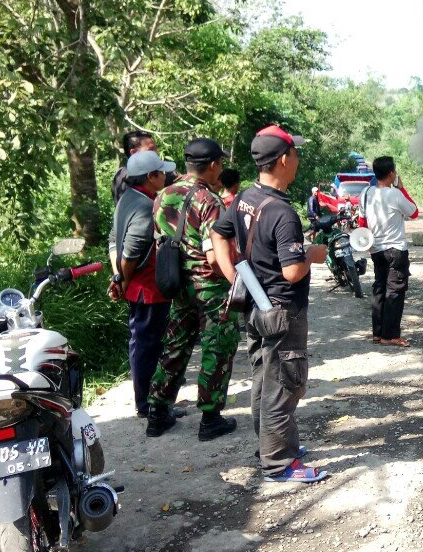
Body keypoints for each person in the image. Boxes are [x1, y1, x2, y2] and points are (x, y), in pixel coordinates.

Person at [211, 124, 330, 483]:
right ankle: (279, 463)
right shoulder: (283, 213)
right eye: (295, 154)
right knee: (286, 382)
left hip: (256, 307)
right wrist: (313, 254)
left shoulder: (246, 196)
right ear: (283, 159)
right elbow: (292, 271)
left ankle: (273, 446)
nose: (297, 160)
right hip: (282, 310)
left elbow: (219, 234)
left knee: (264, 379)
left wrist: (235, 277)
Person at [146, 138, 240, 441]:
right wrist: (234, 279)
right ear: (212, 165)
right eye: (220, 163)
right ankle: (210, 418)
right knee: (218, 345)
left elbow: (159, 237)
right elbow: (214, 254)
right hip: (207, 286)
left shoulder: (163, 195)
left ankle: (157, 413)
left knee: (175, 344)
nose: (221, 169)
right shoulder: (209, 201)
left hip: (176, 283)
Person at [107, 151, 176, 418]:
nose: (166, 176)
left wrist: (118, 277)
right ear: (150, 177)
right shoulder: (146, 205)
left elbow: (114, 241)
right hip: (147, 289)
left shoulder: (128, 198)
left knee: (145, 344)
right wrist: (121, 279)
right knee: (148, 346)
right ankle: (147, 404)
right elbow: (132, 250)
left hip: (137, 284)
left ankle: (153, 401)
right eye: (162, 172)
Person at [362, 156, 419, 348]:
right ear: (392, 173)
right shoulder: (395, 195)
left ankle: (378, 333)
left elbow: (362, 222)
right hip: (395, 250)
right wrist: (401, 188)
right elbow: (414, 212)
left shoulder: (366, 193)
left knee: (379, 288)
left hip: (376, 250)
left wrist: (368, 243)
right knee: (395, 291)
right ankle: (391, 335)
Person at [112, 131, 176, 203]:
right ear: (134, 153)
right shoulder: (129, 178)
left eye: (156, 148)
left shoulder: (120, 174)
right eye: (151, 150)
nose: (157, 153)